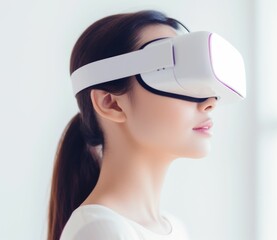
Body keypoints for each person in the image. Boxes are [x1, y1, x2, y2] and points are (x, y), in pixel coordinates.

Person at [47, 10, 218, 240]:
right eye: (172, 77)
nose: (209, 102)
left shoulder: (174, 228)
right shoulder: (101, 231)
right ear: (111, 104)